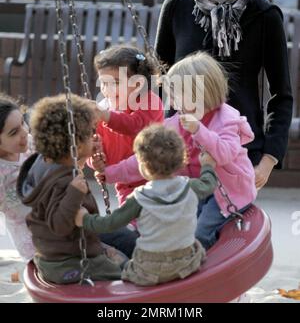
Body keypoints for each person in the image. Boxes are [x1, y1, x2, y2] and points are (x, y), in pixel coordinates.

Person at [155, 0, 293, 189]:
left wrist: (268, 160)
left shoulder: (264, 16)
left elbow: (281, 94)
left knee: (230, 234)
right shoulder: (176, 7)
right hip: (181, 149)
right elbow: (157, 83)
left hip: (239, 149)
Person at [99, 52, 257, 250]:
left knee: (200, 233)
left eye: (175, 95)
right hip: (194, 190)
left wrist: (199, 131)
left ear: (198, 94)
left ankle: (197, 268)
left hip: (226, 192)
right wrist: (111, 173)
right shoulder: (177, 123)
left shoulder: (226, 120)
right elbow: (149, 156)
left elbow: (224, 154)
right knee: (173, 228)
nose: (171, 102)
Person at [75, 124, 217, 286]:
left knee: (122, 264)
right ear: (181, 160)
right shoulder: (190, 187)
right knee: (196, 246)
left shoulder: (140, 198)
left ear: (142, 166)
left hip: (149, 271)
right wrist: (207, 165)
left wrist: (85, 219)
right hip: (187, 264)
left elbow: (110, 223)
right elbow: (209, 184)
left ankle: (119, 264)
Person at [16, 94, 136, 284]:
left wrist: (84, 155)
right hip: (72, 263)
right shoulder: (66, 184)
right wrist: (73, 195)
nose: (94, 137)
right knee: (130, 272)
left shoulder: (43, 163)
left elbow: (58, 186)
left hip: (55, 254)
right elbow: (59, 225)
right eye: (90, 134)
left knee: (122, 243)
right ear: (77, 145)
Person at [89, 45, 164, 208]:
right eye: (103, 83)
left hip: (155, 177)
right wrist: (95, 159)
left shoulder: (149, 102)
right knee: (130, 222)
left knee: (154, 220)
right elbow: (92, 143)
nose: (107, 89)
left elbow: (134, 126)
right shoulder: (105, 108)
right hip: (125, 185)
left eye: (115, 83)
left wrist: (106, 116)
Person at [0, 93, 34, 261]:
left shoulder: (31, 143)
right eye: (14, 132)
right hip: (29, 234)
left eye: (23, 123)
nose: (25, 132)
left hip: (54, 216)